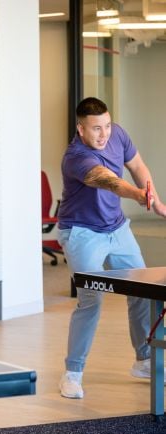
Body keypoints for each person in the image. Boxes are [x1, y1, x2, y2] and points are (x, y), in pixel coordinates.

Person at [57, 96, 163, 399]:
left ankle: (144, 360)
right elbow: (110, 181)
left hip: (116, 228)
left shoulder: (117, 133)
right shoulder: (75, 157)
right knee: (91, 299)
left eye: (106, 126)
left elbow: (138, 166)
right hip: (82, 232)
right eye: (95, 129)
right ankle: (72, 374)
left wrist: (151, 193)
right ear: (80, 129)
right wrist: (138, 196)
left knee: (144, 289)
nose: (103, 134)